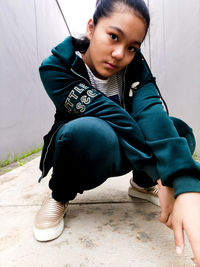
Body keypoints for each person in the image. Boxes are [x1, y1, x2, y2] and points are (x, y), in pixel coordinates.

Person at [34, 0, 200, 265]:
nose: (119, 54)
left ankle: (143, 184)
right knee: (88, 130)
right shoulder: (56, 67)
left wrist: (184, 183)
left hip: (127, 148)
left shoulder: (135, 68)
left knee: (177, 129)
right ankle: (59, 196)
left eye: (132, 47)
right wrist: (162, 173)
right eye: (113, 37)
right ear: (91, 27)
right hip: (89, 150)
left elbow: (152, 113)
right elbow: (114, 116)